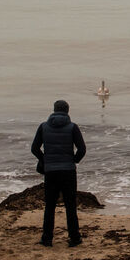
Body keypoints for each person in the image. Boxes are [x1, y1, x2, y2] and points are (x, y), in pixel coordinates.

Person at [31, 100, 87, 247]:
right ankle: (74, 238)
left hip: (50, 172)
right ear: (67, 111)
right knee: (70, 205)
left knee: (50, 206)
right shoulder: (72, 127)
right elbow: (82, 149)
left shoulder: (43, 127)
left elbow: (34, 148)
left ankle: (47, 238)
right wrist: (74, 160)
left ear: (54, 110)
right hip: (68, 171)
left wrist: (44, 160)